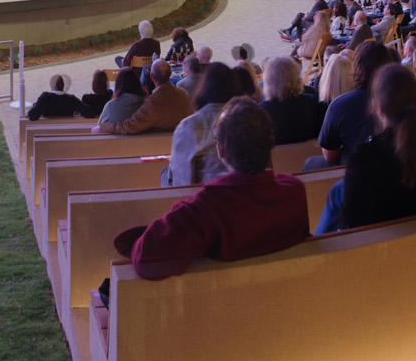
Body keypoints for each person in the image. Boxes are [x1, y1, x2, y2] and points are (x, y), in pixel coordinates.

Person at [113, 100, 310, 280]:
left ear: (220, 151)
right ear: (269, 146)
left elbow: (145, 260)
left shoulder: (204, 209)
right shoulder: (294, 191)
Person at [315, 63, 416, 233]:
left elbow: (349, 225)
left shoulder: (364, 157)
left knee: (337, 192)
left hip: (377, 251)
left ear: (378, 108)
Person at [97, 61, 192, 136]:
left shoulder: (152, 103)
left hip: (161, 146)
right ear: (170, 74)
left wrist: (104, 127)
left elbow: (130, 126)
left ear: (151, 76)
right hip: (187, 139)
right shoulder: (184, 94)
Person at [260, 56, 324, 145]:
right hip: (308, 156)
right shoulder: (312, 102)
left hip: (277, 158)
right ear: (297, 78)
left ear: (268, 81)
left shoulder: (261, 110)